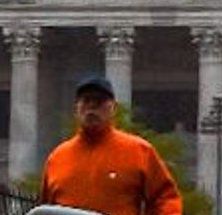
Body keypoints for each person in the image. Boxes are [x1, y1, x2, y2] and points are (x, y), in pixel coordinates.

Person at [40, 75, 184, 215]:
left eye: (99, 102)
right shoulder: (57, 158)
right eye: (86, 101)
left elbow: (166, 199)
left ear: (113, 108)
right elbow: (46, 209)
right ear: (76, 109)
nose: (91, 107)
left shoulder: (139, 151)